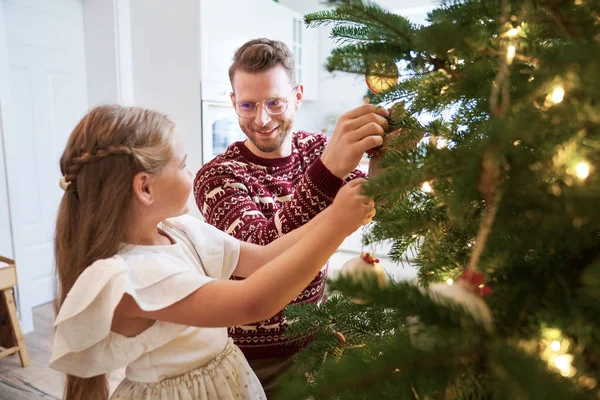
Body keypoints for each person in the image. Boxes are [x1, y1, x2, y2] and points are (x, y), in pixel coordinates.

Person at [49, 105, 376, 400]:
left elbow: (265, 256)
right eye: (183, 165)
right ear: (145, 188)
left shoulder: (178, 230)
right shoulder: (131, 277)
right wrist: (336, 224)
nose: (191, 174)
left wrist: (338, 215)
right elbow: (253, 302)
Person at [194, 38, 388, 397]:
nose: (262, 119)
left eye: (275, 103)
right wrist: (329, 171)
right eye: (248, 105)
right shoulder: (216, 177)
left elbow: (368, 204)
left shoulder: (317, 150)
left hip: (313, 338)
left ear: (298, 96)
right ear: (233, 101)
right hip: (249, 358)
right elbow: (262, 252)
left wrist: (388, 166)